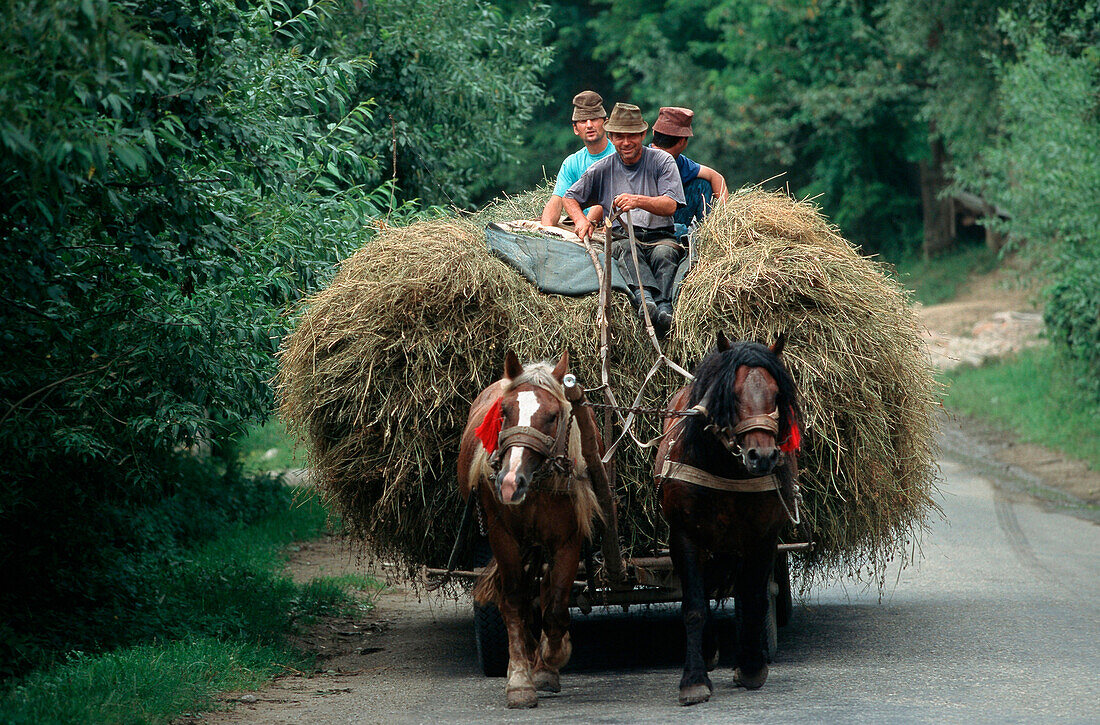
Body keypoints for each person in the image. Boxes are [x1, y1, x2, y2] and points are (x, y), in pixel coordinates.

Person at [562, 103, 685, 336]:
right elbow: (570, 198)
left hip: (660, 236)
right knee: (627, 250)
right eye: (619, 137)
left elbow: (670, 204)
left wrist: (638, 201)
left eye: (631, 136)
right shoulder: (603, 168)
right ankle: (645, 300)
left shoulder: (662, 161)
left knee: (665, 254)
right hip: (622, 236)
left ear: (642, 135)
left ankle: (665, 307)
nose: (626, 143)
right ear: (611, 136)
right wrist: (581, 221)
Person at [540, 91, 617, 228]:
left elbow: (604, 202)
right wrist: (544, 231)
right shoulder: (571, 163)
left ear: (606, 123)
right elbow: (557, 200)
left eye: (594, 119)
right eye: (583, 121)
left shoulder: (620, 156)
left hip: (614, 228)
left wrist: (586, 225)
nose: (589, 125)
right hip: (583, 225)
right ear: (575, 129)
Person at [649, 106, 728, 228]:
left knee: (702, 184)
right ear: (682, 141)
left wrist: (726, 217)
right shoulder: (644, 161)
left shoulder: (681, 162)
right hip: (649, 225)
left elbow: (715, 177)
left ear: (653, 133)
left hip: (674, 221)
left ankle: (710, 233)